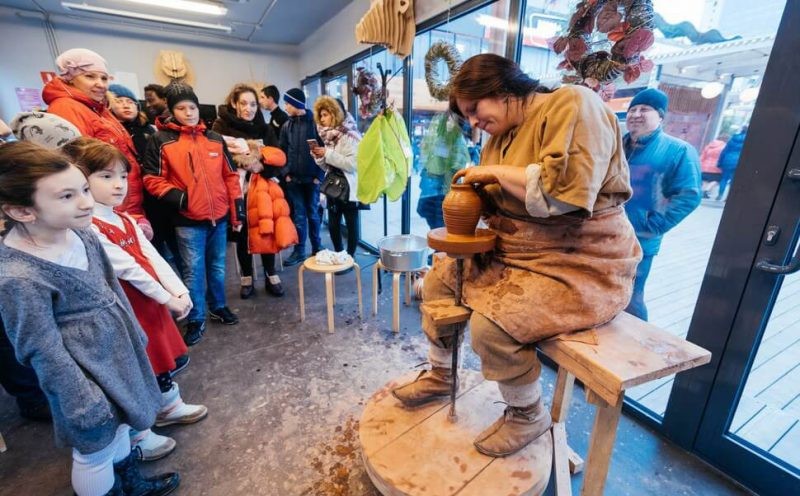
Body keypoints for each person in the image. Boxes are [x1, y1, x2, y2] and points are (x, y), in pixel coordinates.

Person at [391, 54, 641, 457]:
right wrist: (476, 192)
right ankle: (441, 374)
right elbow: (499, 197)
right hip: (521, 251)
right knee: (438, 282)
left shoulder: (573, 104)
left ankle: (528, 414)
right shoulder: (498, 135)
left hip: (582, 259)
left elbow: (564, 196)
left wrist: (492, 176)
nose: (473, 122)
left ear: (503, 90)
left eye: (475, 109)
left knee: (493, 328)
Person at [0, 141, 179, 495]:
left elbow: (110, 287)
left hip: (120, 356)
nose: (85, 202)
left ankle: (132, 484)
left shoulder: (82, 233)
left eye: (84, 189)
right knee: (96, 450)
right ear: (22, 211)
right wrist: (81, 399)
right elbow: (40, 347)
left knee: (124, 427)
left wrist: (135, 338)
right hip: (81, 379)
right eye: (66, 196)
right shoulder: (18, 276)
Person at [63, 136, 208, 462]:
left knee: (159, 361)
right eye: (105, 176)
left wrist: (179, 291)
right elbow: (127, 269)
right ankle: (140, 432)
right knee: (136, 369)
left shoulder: (124, 218)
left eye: (122, 176)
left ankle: (169, 406)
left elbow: (152, 257)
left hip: (149, 304)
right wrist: (165, 296)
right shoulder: (89, 227)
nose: (118, 185)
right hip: (126, 308)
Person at [142, 82, 244, 346]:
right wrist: (183, 199)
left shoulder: (215, 139)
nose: (188, 112)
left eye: (192, 107)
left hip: (218, 217)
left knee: (218, 268)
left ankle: (218, 306)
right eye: (181, 108)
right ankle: (196, 318)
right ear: (172, 110)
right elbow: (152, 179)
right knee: (193, 272)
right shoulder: (161, 141)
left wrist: (237, 213)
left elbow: (231, 177)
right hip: (188, 221)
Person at [42, 48, 152, 239]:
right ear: (70, 78)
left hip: (120, 202)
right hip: (103, 207)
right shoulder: (66, 107)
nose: (100, 84)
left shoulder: (98, 109)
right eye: (90, 77)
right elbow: (78, 166)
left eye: (103, 78)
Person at [623, 88, 701, 321]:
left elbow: (689, 195)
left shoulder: (679, 150)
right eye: (632, 109)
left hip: (641, 239)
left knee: (631, 298)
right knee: (604, 293)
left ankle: (639, 348)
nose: (636, 114)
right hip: (605, 234)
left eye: (644, 109)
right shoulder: (617, 144)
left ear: (660, 116)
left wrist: (654, 224)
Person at [213, 83, 292, 298]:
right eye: (244, 104)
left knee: (265, 229)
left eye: (254, 104)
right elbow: (215, 159)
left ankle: (270, 274)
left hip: (262, 191)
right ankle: (246, 277)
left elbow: (278, 158)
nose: (249, 109)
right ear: (234, 104)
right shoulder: (221, 128)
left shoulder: (264, 128)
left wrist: (260, 166)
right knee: (242, 234)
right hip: (236, 192)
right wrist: (242, 162)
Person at [279, 88, 325, 266]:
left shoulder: (315, 124)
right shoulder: (286, 126)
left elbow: (324, 150)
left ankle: (317, 247)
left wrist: (319, 176)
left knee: (313, 214)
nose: (286, 107)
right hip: (294, 180)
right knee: (298, 215)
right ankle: (299, 251)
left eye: (288, 104)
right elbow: (282, 151)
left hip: (312, 179)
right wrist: (286, 174)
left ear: (296, 104)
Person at [312, 95, 362, 257]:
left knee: (351, 224)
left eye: (325, 115)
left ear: (336, 114)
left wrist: (327, 153)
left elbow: (352, 164)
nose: (322, 119)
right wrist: (319, 157)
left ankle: (350, 256)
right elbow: (329, 165)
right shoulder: (329, 135)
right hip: (333, 186)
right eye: (321, 115)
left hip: (349, 186)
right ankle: (340, 255)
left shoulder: (350, 135)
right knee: (333, 225)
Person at [716, 126, 748, 201]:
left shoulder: (733, 138)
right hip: (739, 162)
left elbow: (725, 151)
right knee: (734, 181)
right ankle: (728, 198)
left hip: (727, 160)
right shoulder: (749, 140)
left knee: (724, 179)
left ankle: (720, 195)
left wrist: (720, 162)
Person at [699, 134, 728, 199]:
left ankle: (703, 191)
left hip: (705, 166)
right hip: (716, 167)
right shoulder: (724, 147)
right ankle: (706, 191)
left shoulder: (709, 146)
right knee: (716, 180)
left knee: (705, 180)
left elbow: (702, 156)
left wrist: (700, 164)